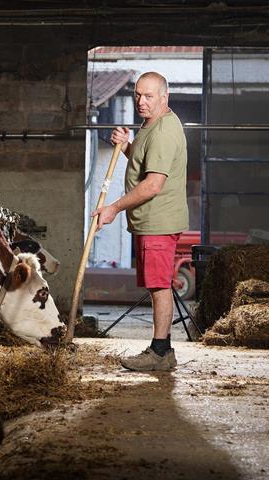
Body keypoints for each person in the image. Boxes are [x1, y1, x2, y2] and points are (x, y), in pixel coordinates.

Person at [93, 71, 188, 371]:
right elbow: (144, 162)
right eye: (137, 94)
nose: (140, 101)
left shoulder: (163, 131)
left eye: (148, 96)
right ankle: (163, 350)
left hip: (158, 221)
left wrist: (114, 208)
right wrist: (127, 147)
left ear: (164, 97)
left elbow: (153, 184)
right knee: (156, 285)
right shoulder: (151, 125)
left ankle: (160, 352)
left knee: (160, 286)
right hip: (150, 221)